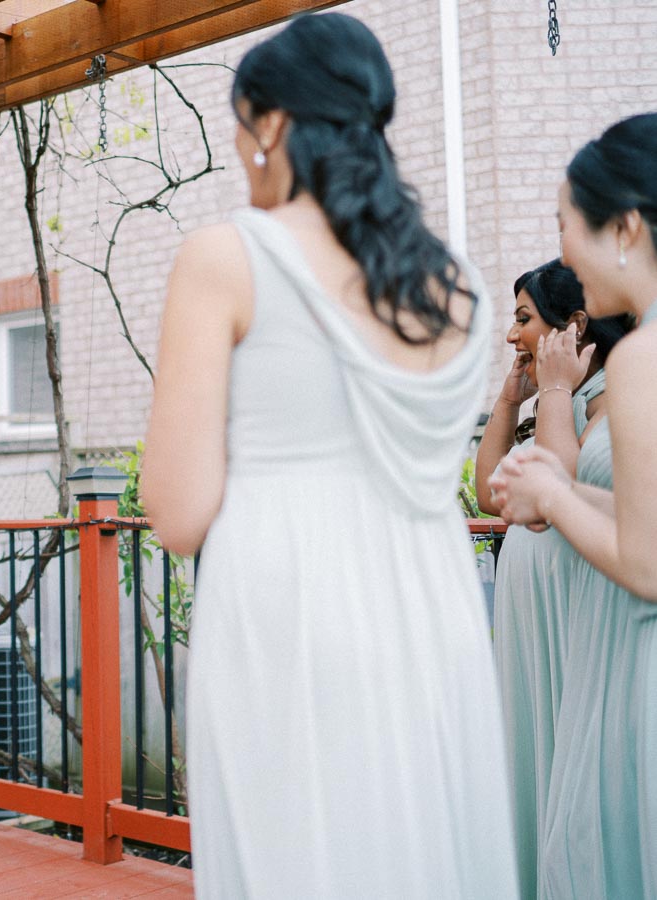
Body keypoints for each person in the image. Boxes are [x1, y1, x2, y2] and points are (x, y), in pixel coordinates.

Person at [140, 13, 517, 898]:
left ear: (271, 125)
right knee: (418, 850)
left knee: (300, 857)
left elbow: (179, 509)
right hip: (431, 609)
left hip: (287, 614)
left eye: (239, 124)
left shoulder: (225, 258)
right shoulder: (456, 287)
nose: (238, 150)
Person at [490, 113, 657, 898]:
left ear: (624, 225)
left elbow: (649, 561)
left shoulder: (641, 361)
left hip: (637, 662)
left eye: (568, 224)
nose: (563, 252)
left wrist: (554, 489)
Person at [473, 260, 629, 898]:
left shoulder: (609, 398)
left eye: (522, 319)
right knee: (529, 748)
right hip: (528, 609)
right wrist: (511, 400)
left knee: (564, 747)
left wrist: (559, 388)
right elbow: (490, 493)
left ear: (574, 326)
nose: (511, 337)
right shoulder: (546, 404)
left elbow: (559, 491)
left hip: (571, 599)